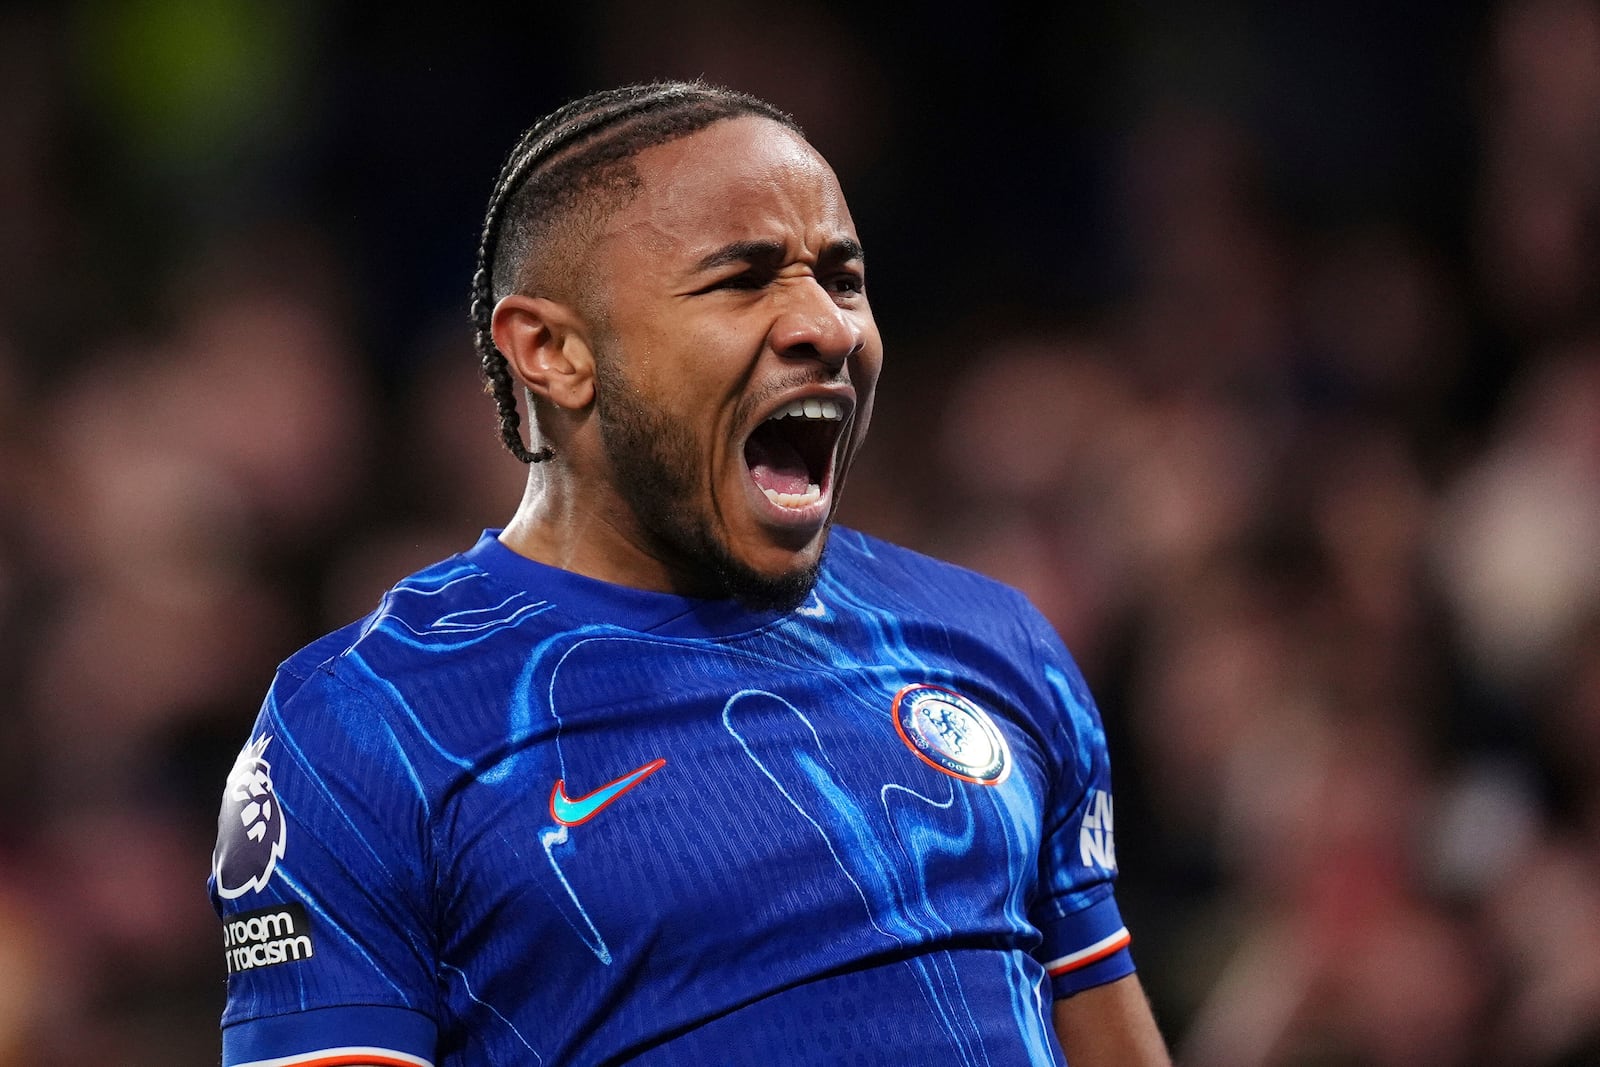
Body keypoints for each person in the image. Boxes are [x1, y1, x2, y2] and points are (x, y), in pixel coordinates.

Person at [208, 81, 1171, 1067]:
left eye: (841, 277)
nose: (829, 328)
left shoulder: (993, 641)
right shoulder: (363, 728)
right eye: (743, 279)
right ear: (551, 350)